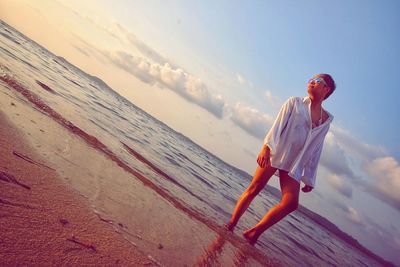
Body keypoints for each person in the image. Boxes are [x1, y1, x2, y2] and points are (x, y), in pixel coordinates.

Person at [224, 74, 336, 245]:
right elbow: (277, 125)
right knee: (254, 188)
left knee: (291, 203)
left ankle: (254, 232)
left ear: (326, 89)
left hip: (294, 164)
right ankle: (230, 225)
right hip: (276, 153)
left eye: (317, 81)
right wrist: (266, 148)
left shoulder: (326, 121)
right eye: (310, 79)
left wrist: (309, 177)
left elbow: (316, 149)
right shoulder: (295, 102)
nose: (311, 82)